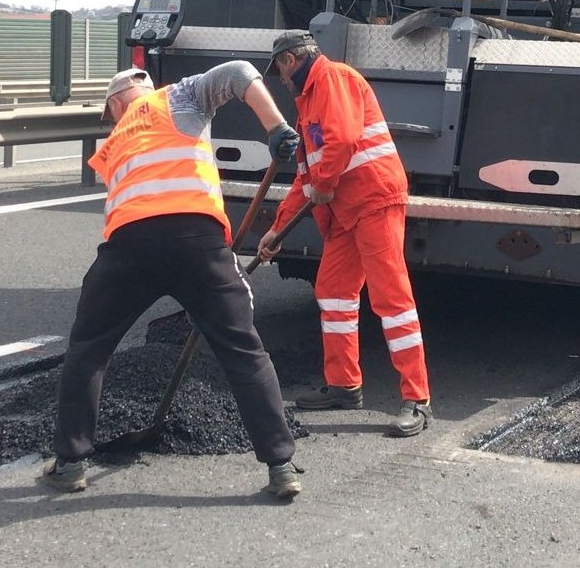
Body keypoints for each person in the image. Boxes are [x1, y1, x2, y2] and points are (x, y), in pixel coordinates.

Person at [42, 64, 305, 497]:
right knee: (244, 350)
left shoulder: (120, 138)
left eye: (110, 112)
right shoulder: (180, 99)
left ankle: (70, 463)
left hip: (129, 248)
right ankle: (281, 466)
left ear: (115, 103)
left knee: (88, 349)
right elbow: (241, 73)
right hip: (199, 242)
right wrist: (275, 128)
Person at [257, 30, 432, 437]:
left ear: (289, 60)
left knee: (391, 298)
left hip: (373, 199)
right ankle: (343, 385)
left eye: (279, 69)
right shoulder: (308, 102)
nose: (281, 79)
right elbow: (307, 177)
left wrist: (326, 183)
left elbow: (343, 139)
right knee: (333, 290)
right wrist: (276, 231)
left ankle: (417, 398)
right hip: (346, 211)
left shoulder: (333, 78)